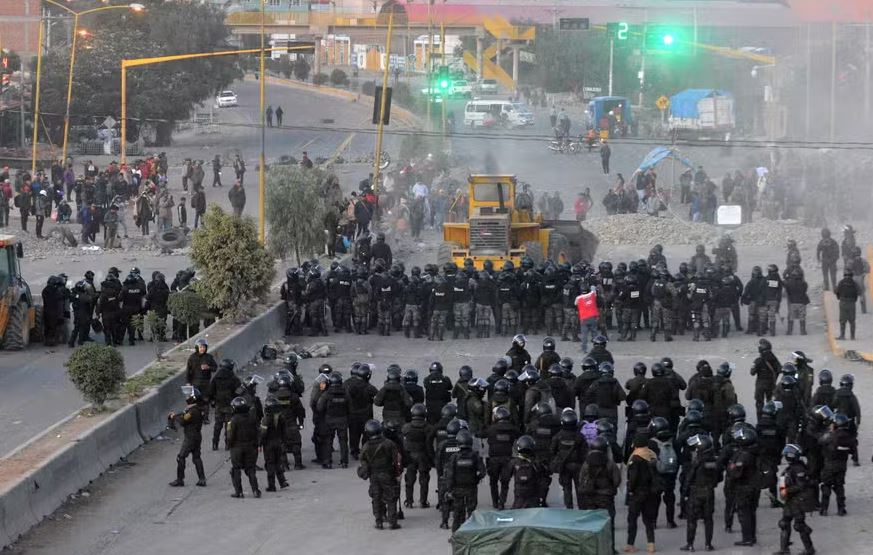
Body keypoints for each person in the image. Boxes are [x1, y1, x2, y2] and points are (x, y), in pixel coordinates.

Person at [680, 433, 721, 552]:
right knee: (708, 519)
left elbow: (689, 478)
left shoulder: (698, 461)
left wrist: (684, 495)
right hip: (709, 492)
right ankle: (708, 544)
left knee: (692, 520)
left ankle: (690, 544)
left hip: (696, 492)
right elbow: (718, 477)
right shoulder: (714, 461)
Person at [358, 419, 402, 530]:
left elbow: (363, 462)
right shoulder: (389, 443)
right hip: (388, 474)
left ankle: (379, 521)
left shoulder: (366, 447)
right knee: (391, 498)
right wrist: (398, 474)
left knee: (376, 497)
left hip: (374, 476)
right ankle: (393, 522)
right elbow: (397, 460)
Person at [775, 444, 815, 555]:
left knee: (799, 525)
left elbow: (801, 485)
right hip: (791, 500)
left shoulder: (798, 469)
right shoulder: (793, 467)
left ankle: (809, 549)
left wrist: (787, 491)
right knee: (784, 523)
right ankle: (784, 549)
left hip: (798, 501)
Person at [625, 433, 661, 554]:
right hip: (650, 493)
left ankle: (630, 544)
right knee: (648, 520)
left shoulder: (635, 458)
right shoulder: (652, 455)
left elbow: (633, 478)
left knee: (632, 519)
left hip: (637, 493)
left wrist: (630, 489)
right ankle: (651, 545)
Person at [445, 429, 486, 532]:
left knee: (458, 514)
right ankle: (471, 534)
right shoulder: (475, 456)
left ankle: (456, 535)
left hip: (457, 489)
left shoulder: (454, 457)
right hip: (471, 488)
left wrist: (449, 489)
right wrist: (476, 479)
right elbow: (483, 472)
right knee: (472, 513)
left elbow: (450, 474)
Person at [167, 386, 207, 488]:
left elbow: (183, 421)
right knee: (196, 457)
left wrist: (174, 417)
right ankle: (202, 478)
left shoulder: (192, 411)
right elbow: (184, 415)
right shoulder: (197, 409)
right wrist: (177, 415)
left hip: (190, 437)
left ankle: (180, 479)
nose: (186, 397)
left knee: (181, 457)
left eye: (188, 395)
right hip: (197, 436)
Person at [485, 406, 521, 509]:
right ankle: (502, 502)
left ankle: (495, 502)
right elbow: (520, 435)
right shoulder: (512, 429)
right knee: (505, 482)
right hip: (507, 459)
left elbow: (480, 434)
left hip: (493, 459)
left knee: (493, 482)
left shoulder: (491, 429)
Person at [227, 396, 261, 498]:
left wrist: (230, 445)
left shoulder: (233, 420)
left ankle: (239, 492)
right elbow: (257, 432)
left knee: (236, 470)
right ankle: (255, 490)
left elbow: (230, 436)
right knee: (250, 469)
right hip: (250, 447)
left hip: (237, 448)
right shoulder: (252, 417)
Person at [401, 403, 434, 508]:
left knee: (409, 480)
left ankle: (409, 501)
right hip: (423, 456)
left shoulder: (406, 427)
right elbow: (431, 443)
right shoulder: (428, 428)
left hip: (410, 456)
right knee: (424, 479)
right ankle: (423, 501)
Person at [316, 372, 350, 469]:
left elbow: (319, 407)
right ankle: (344, 462)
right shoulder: (345, 393)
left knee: (328, 441)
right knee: (343, 441)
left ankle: (327, 462)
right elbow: (350, 408)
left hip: (329, 420)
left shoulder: (326, 394)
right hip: (343, 420)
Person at [209, 359, 242, 451]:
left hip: (219, 405)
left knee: (217, 426)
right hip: (230, 406)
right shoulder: (233, 378)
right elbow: (239, 391)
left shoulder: (216, 378)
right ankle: (228, 444)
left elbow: (211, 390)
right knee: (229, 426)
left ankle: (215, 443)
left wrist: (212, 400)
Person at [502, 435, 544, 509]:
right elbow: (543, 479)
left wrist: (501, 502)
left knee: (517, 515)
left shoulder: (514, 462)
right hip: (533, 497)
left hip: (519, 497)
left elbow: (505, 478)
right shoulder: (536, 462)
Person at [259, 395, 289, 491]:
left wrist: (259, 443)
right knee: (278, 462)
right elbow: (284, 432)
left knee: (270, 464)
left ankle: (272, 485)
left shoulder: (266, 419)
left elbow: (263, 433)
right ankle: (282, 481)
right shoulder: (281, 417)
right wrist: (283, 442)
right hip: (278, 443)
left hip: (269, 445)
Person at [835, 269, 859, 340]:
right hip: (852, 303)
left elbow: (836, 291)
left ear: (844, 275)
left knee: (842, 320)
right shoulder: (854, 283)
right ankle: (852, 336)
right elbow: (859, 291)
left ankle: (842, 335)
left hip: (843, 303)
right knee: (852, 320)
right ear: (852, 275)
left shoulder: (841, 282)